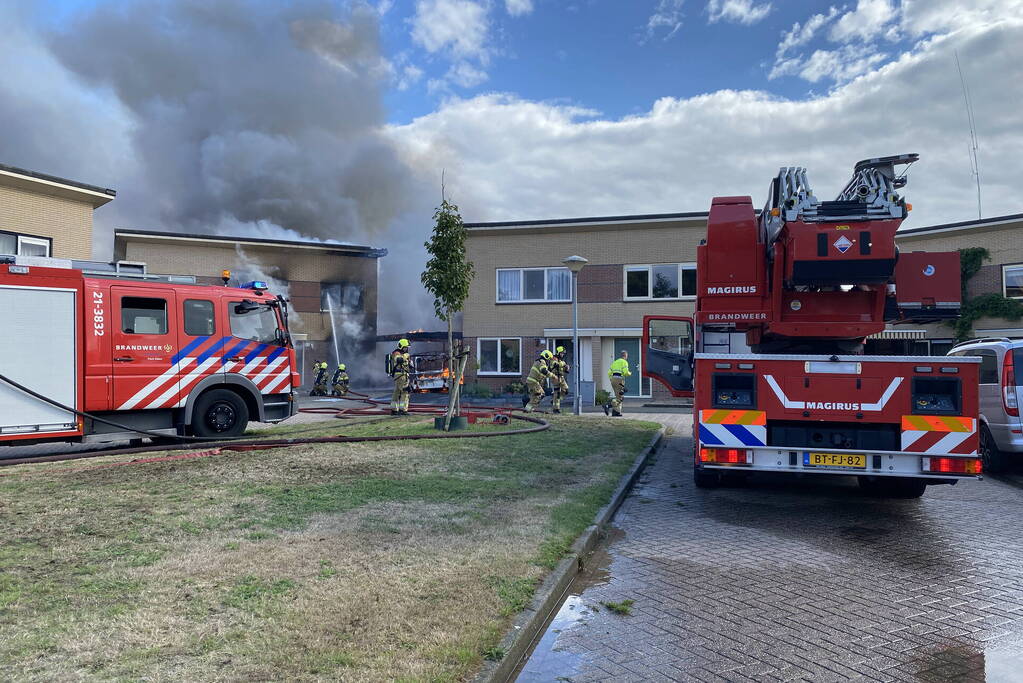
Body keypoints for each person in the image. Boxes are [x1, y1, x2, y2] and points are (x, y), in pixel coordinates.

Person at [604, 350, 631, 417]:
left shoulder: (615, 362)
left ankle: (616, 412)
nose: (627, 357)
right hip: (619, 380)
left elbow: (609, 373)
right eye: (627, 356)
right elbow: (625, 373)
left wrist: (611, 379)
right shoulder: (624, 362)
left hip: (613, 380)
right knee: (620, 398)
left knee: (618, 396)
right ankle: (607, 405)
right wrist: (630, 373)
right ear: (625, 356)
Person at [389, 339, 411, 416]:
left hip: (402, 375)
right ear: (401, 346)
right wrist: (406, 355)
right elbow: (399, 359)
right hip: (401, 376)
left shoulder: (401, 353)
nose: (406, 349)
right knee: (405, 392)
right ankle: (403, 410)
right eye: (405, 347)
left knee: (397, 392)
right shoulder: (396, 353)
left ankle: (394, 410)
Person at [550, 346, 570, 414]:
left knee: (566, 390)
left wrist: (567, 368)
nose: (563, 355)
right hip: (555, 378)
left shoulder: (562, 361)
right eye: (562, 353)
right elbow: (555, 365)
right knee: (557, 393)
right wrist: (563, 365)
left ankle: (554, 400)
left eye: (563, 353)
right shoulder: (553, 358)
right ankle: (556, 409)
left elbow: (564, 369)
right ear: (558, 353)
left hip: (561, 378)